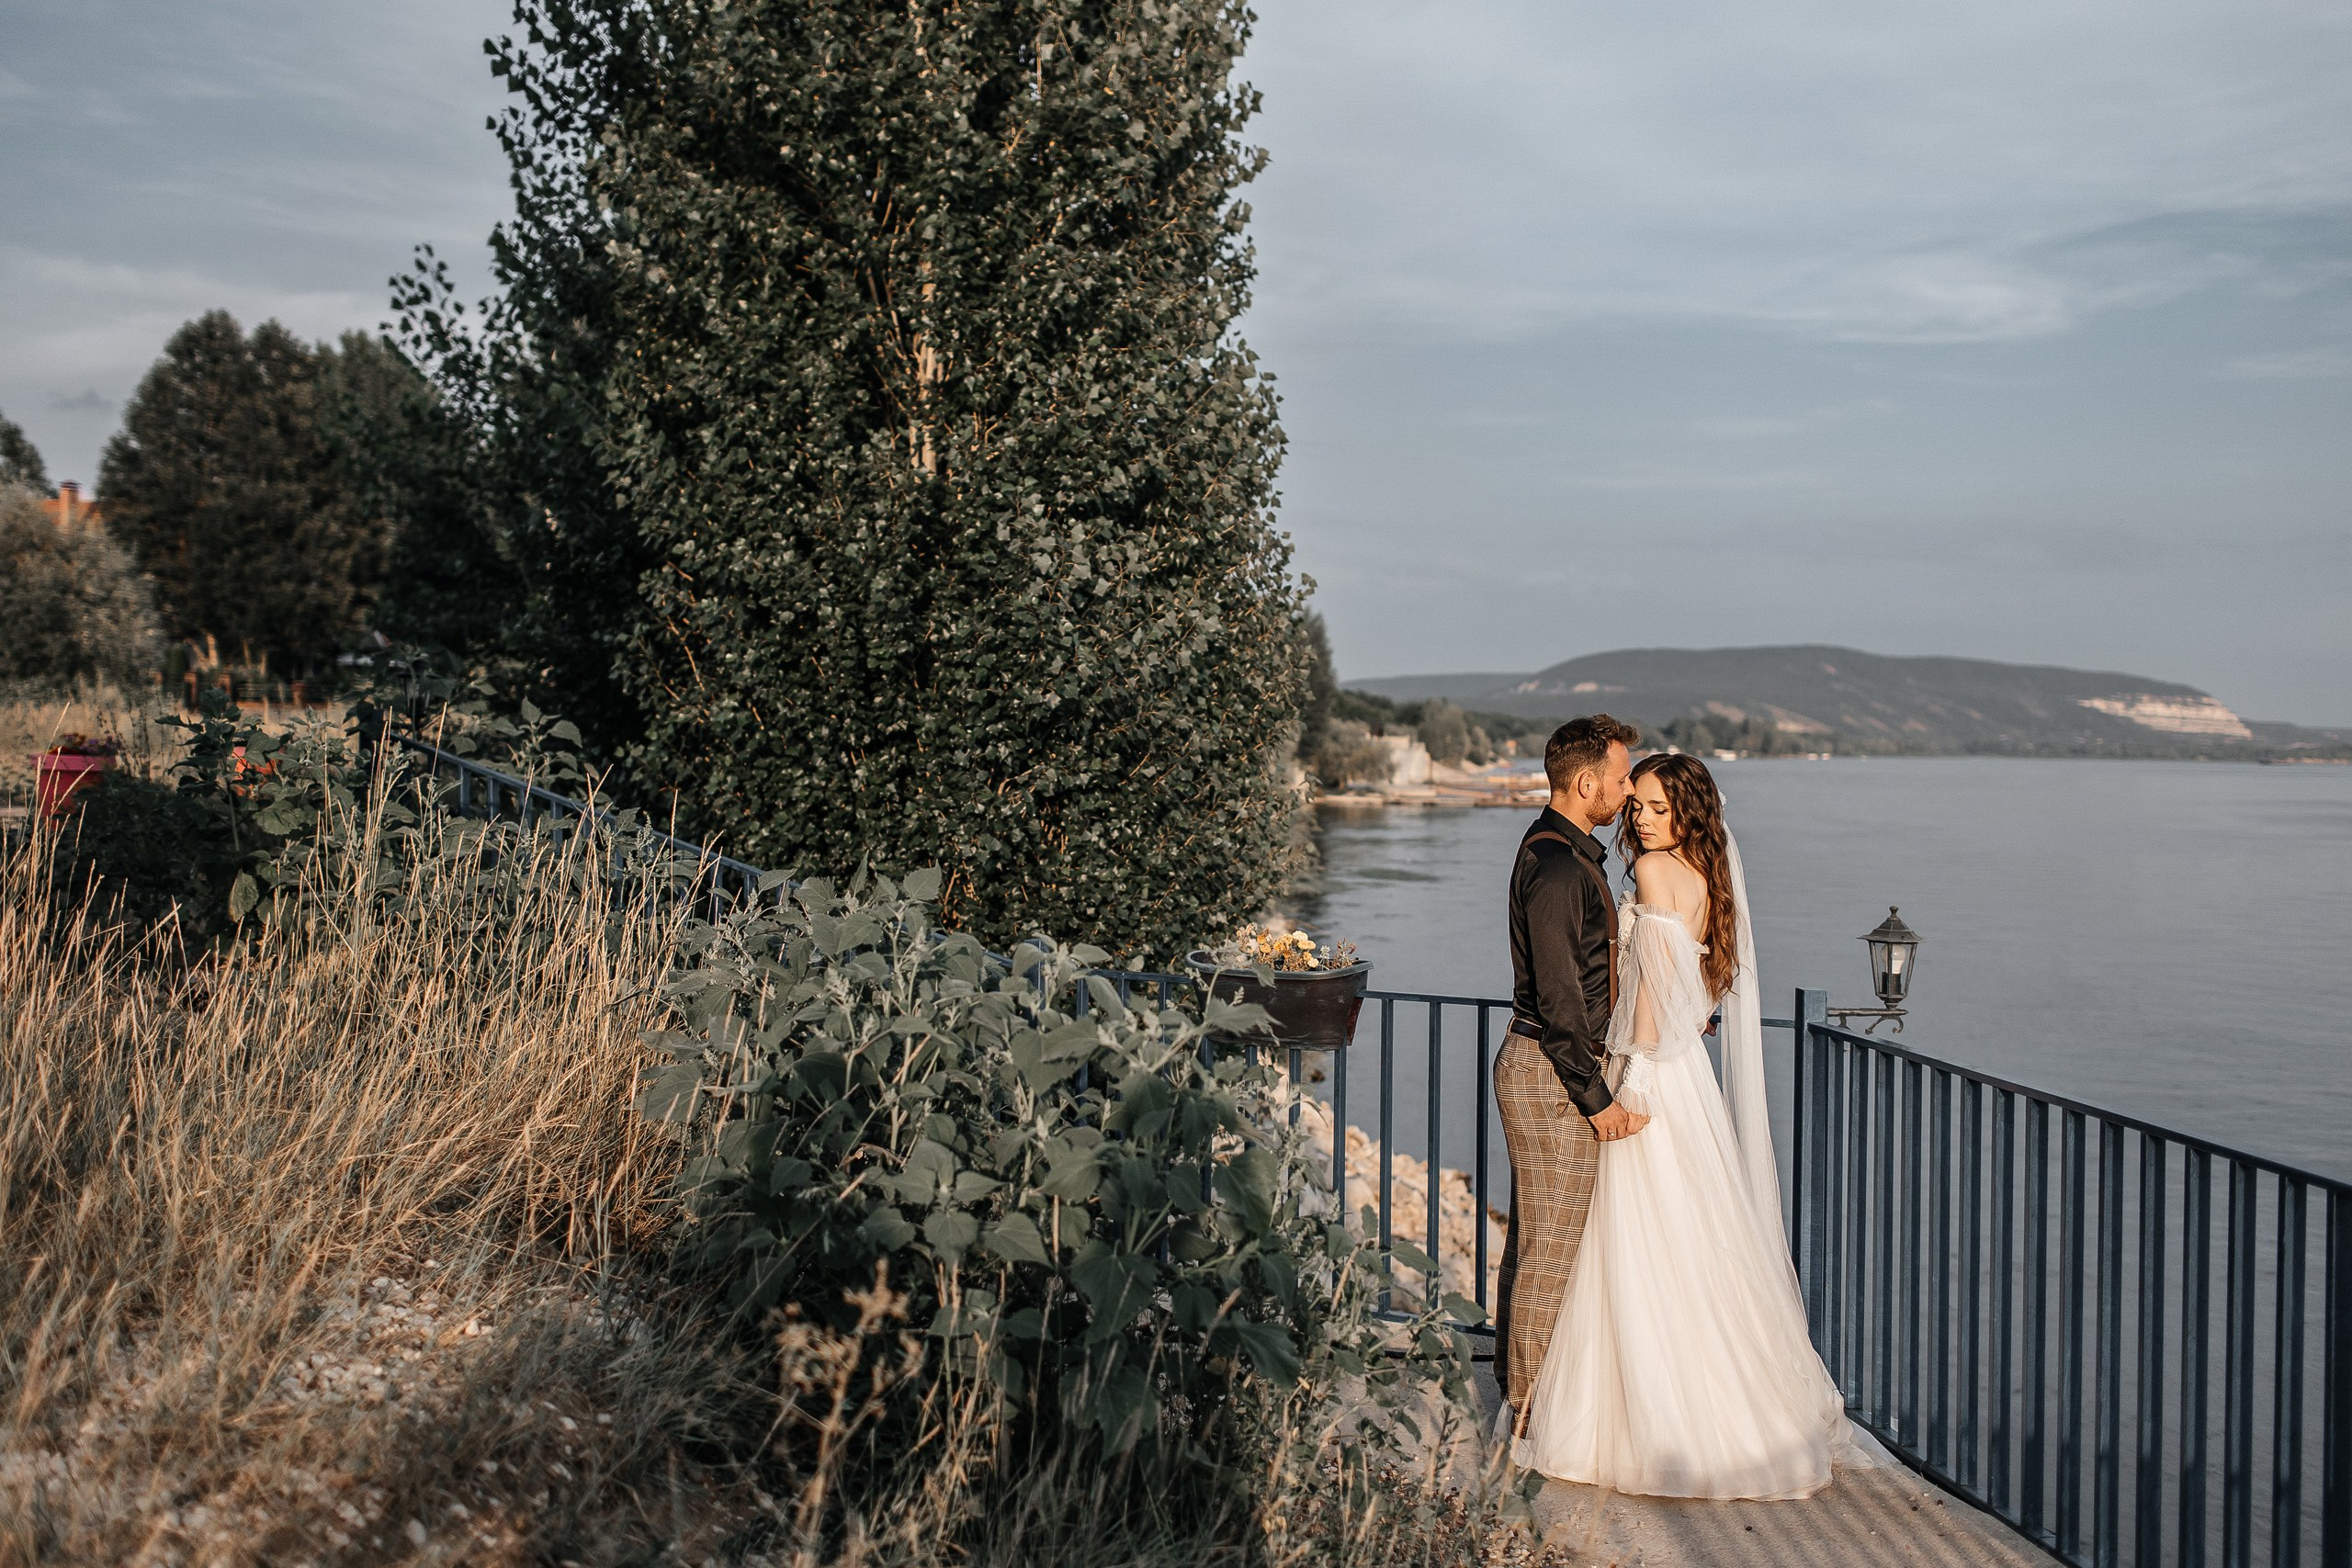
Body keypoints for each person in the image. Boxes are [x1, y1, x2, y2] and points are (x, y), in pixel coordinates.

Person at [1514, 752, 1866, 1498]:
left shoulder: (1650, 873)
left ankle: (1638, 1418)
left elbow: (1649, 990)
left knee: (1637, 1237)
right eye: (1637, 804)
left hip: (1651, 1069)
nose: (1641, 818)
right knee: (1692, 1234)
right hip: (1689, 1076)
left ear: (1687, 812)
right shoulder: (1708, 876)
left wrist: (1634, 1069)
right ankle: (1728, 1406)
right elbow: (1694, 987)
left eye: (1657, 807)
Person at [1493, 715, 1646, 1436]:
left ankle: (1515, 1390)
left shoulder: (1563, 851)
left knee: (1537, 1239)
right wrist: (1598, 1099)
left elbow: (1586, 975)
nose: (1628, 789)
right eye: (1620, 777)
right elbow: (1560, 1002)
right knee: (1551, 1251)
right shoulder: (1557, 868)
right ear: (1586, 782)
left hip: (1549, 1065)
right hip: (1553, 1072)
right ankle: (1530, 1416)